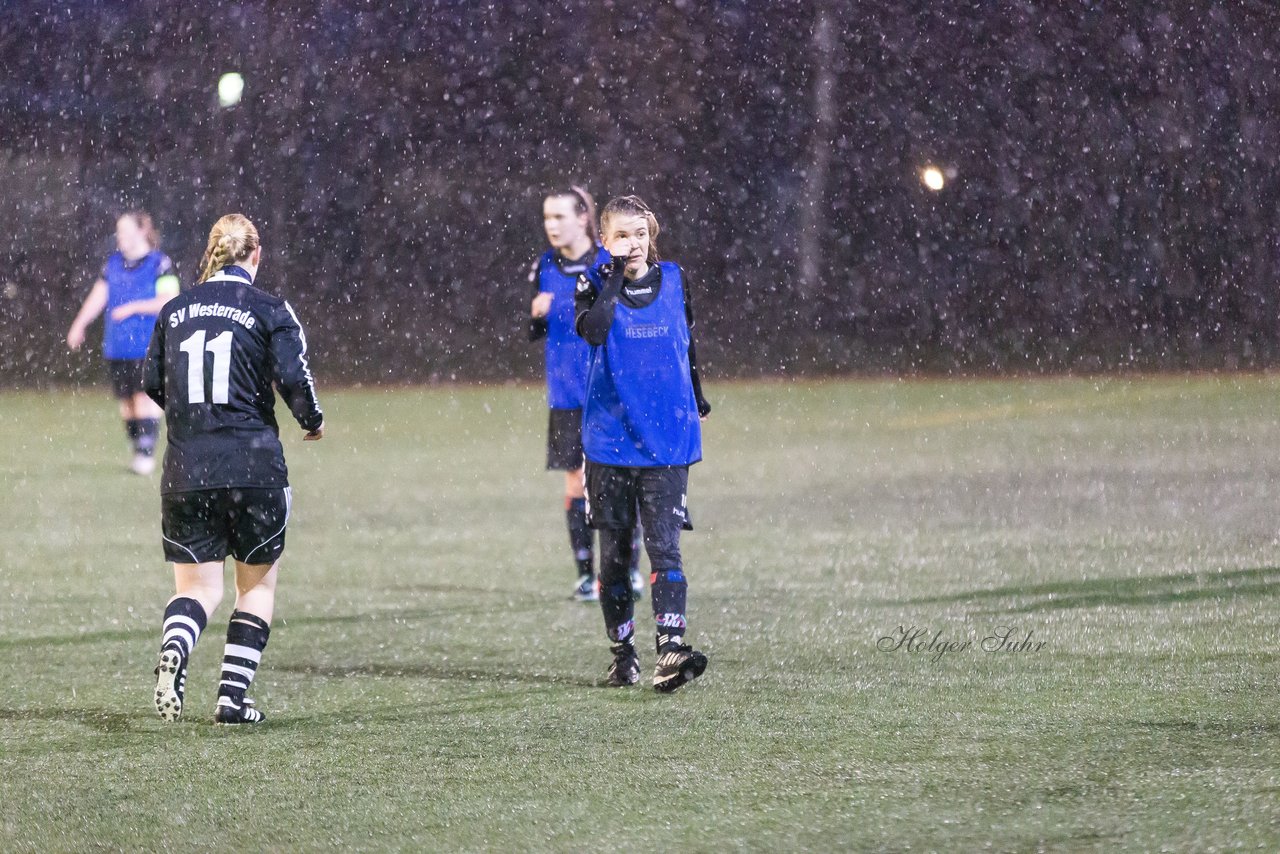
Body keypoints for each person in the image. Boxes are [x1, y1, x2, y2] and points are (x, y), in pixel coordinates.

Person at [142, 214, 324, 724]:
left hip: (187, 469)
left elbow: (153, 382)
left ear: (212, 252)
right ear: (256, 255)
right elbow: (294, 374)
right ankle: (232, 699)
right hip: (253, 468)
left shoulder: (174, 310)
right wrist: (312, 419)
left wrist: (194, 419)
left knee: (197, 590)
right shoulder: (269, 308)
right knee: (256, 588)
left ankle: (177, 644)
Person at [574, 195, 712, 692]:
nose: (632, 244)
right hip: (610, 441)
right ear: (604, 242)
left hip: (668, 438)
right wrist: (612, 277)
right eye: (621, 236)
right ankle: (623, 653)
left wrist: (697, 394)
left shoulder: (675, 278)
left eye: (639, 234)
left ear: (651, 236)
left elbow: (686, 339)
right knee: (615, 556)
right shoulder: (591, 284)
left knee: (665, 550)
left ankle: (670, 653)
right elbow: (593, 331)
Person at [528, 186, 643, 602]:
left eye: (559, 217)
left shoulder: (608, 263)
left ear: (582, 219)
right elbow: (538, 332)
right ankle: (584, 575)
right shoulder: (544, 265)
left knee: (622, 482)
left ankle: (629, 571)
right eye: (546, 218)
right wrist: (535, 316)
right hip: (567, 395)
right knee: (577, 484)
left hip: (611, 393)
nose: (551, 226)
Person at [66, 211, 180, 474]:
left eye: (126, 231)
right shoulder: (112, 265)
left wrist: (132, 308)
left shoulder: (159, 264)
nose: (121, 237)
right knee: (126, 402)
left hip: (148, 345)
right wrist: (79, 324)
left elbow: (168, 299)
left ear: (142, 231)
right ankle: (137, 447)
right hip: (118, 347)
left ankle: (146, 454)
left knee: (144, 398)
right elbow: (98, 297)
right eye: (119, 232)